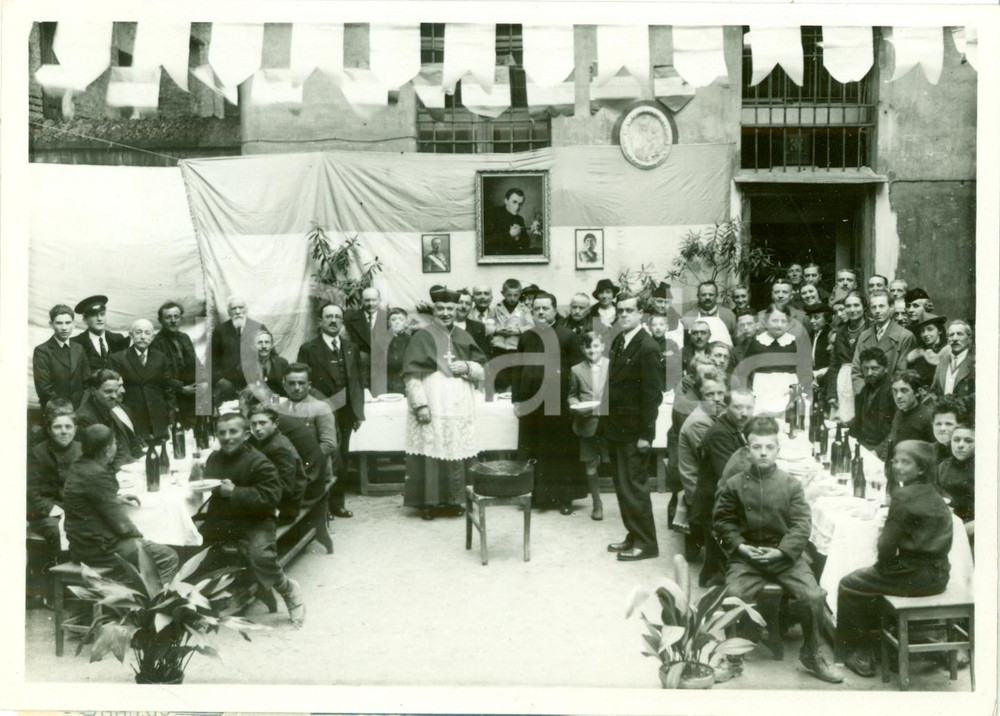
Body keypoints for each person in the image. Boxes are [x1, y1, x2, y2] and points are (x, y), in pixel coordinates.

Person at [714, 417, 843, 683]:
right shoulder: (734, 484)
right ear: (748, 451)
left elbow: (801, 524)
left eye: (769, 447)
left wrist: (783, 552)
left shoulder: (790, 484)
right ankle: (732, 658)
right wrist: (741, 547)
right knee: (733, 595)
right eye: (757, 447)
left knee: (813, 596)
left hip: (785, 556)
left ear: (777, 451)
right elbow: (723, 522)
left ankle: (812, 654)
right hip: (747, 557)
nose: (763, 452)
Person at [837, 440, 952, 678]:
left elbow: (886, 546)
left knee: (849, 584)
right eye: (895, 461)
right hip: (939, 575)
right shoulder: (935, 492)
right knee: (872, 579)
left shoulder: (903, 496)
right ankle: (902, 638)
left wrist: (882, 567)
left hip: (913, 577)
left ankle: (859, 651)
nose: (897, 466)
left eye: (905, 462)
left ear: (921, 469)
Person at [201, 412, 305, 625]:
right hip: (223, 518)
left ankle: (288, 589)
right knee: (194, 545)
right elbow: (208, 487)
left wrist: (235, 492)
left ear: (246, 435)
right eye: (222, 433)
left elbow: (272, 497)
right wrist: (197, 478)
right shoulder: (214, 458)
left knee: (260, 556)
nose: (227, 437)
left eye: (233, 431)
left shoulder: (259, 462)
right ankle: (207, 600)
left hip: (256, 520)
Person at [402, 287, 487, 520]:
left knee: (456, 451)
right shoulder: (422, 336)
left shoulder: (464, 336)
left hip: (460, 404)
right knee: (432, 452)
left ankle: (455, 500)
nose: (446, 313)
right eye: (441, 308)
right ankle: (429, 503)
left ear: (457, 309)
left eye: (451, 308)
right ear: (434, 310)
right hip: (433, 401)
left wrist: (467, 367)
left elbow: (482, 370)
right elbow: (411, 375)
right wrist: (420, 405)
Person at [62, 424, 179, 584]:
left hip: (79, 547)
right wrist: (142, 541)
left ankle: (132, 587)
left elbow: (86, 498)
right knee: (168, 556)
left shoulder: (78, 466)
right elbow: (122, 526)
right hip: (100, 551)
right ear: (107, 450)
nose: (116, 447)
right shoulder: (98, 473)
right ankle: (156, 598)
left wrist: (114, 499)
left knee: (145, 552)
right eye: (115, 443)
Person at [512, 292, 587, 514]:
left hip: (558, 405)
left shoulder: (568, 336)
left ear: (555, 310)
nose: (541, 312)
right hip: (531, 403)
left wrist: (576, 399)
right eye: (537, 309)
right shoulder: (526, 337)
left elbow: (579, 370)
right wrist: (517, 400)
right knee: (533, 449)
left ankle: (564, 498)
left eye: (545, 308)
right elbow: (517, 370)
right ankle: (536, 495)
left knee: (559, 451)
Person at [604, 293, 662, 562]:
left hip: (634, 431)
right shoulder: (620, 340)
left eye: (629, 310)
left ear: (641, 314)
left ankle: (647, 543)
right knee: (623, 487)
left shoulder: (648, 347)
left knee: (635, 488)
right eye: (620, 311)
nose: (624, 315)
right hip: (617, 428)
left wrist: (646, 435)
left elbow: (652, 396)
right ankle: (634, 534)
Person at [297, 302, 365, 519]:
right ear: (320, 321)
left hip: (346, 412)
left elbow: (357, 381)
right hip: (321, 412)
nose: (333, 320)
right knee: (322, 457)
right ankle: (321, 506)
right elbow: (304, 383)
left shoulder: (351, 347)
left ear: (342, 321)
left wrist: (358, 412)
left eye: (337, 317)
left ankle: (337, 504)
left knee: (341, 457)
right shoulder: (308, 349)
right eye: (329, 317)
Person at [698, 388, 755, 587]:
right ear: (726, 407)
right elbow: (732, 480)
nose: (744, 413)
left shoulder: (734, 427)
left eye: (749, 407)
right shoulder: (720, 434)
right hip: (713, 505)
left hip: (720, 497)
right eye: (738, 407)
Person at [677, 371, 727, 564]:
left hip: (703, 480)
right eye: (710, 394)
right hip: (698, 489)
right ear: (700, 396)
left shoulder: (711, 414)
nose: (717, 399)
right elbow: (718, 462)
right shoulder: (699, 423)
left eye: (720, 393)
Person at [27, 399, 82, 571]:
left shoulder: (82, 450)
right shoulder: (37, 453)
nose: (64, 431)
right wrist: (56, 510)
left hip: (75, 507)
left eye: (68, 427)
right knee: (56, 529)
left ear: (75, 429)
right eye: (58, 427)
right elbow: (32, 492)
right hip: (46, 511)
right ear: (49, 430)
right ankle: (60, 575)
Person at [108, 319, 177, 444]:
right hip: (134, 416)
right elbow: (115, 394)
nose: (143, 337)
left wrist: (171, 417)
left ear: (152, 336)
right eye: (138, 332)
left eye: (147, 333)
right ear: (131, 335)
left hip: (158, 418)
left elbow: (169, 389)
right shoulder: (118, 358)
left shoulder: (160, 357)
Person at [277, 363, 338, 504]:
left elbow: (329, 444)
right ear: (284, 385)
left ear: (309, 385)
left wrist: (302, 465)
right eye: (291, 383)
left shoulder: (321, 408)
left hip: (315, 471)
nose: (296, 388)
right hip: (288, 469)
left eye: (301, 383)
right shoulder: (279, 409)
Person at [567, 331, 610, 521]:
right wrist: (575, 404)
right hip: (587, 422)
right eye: (588, 347)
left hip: (610, 424)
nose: (592, 350)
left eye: (596, 346)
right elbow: (572, 394)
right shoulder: (576, 370)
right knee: (590, 464)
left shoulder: (612, 366)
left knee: (617, 463)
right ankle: (597, 503)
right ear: (582, 349)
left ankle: (626, 503)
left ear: (602, 347)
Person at [740, 305, 809, 416]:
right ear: (766, 321)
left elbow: (806, 372)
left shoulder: (795, 343)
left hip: (788, 392)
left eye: (783, 321)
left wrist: (798, 390)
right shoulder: (757, 343)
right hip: (762, 391)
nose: (779, 325)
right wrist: (749, 393)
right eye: (775, 321)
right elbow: (744, 372)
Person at [248, 404, 309, 523]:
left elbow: (285, 489)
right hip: (274, 498)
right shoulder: (267, 440)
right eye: (253, 424)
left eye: (262, 423)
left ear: (275, 424)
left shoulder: (280, 448)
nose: (257, 428)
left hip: (285, 508)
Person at [75, 369, 145, 470]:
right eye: (108, 391)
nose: (114, 396)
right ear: (93, 391)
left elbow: (118, 448)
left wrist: (135, 463)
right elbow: (96, 459)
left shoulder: (107, 408)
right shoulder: (84, 418)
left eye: (116, 391)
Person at [150, 300, 203, 429]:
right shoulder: (156, 344)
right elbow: (158, 376)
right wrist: (181, 389)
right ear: (160, 320)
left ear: (181, 319)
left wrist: (204, 380)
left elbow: (196, 363)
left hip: (193, 392)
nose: (173, 320)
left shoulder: (185, 337)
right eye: (168, 317)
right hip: (173, 397)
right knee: (183, 431)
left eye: (176, 316)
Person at [850, 289, 914, 396]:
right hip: (866, 396)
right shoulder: (863, 336)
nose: (877, 311)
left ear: (891, 308)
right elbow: (856, 371)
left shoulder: (905, 336)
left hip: (891, 396)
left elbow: (901, 372)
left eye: (881, 306)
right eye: (873, 307)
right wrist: (864, 395)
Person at [33, 304, 90, 410]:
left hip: (81, 409)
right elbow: (44, 389)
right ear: (51, 324)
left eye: (68, 323)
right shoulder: (42, 351)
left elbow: (87, 381)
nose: (64, 328)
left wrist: (83, 406)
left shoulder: (79, 348)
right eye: (59, 323)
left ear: (74, 324)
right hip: (56, 410)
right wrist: (65, 409)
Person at [211, 296, 269, 399]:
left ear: (246, 309)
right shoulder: (220, 331)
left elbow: (270, 356)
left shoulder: (259, 328)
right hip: (228, 384)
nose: (237, 311)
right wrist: (221, 380)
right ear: (229, 312)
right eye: (233, 308)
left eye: (240, 307)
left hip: (254, 382)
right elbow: (212, 360)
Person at [882, 370, 935, 478]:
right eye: (895, 391)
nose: (898, 396)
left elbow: (934, 454)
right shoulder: (898, 414)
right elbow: (891, 439)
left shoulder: (928, 416)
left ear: (917, 392)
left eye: (904, 390)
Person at [825, 291, 868, 422]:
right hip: (843, 382)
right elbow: (834, 364)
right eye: (848, 306)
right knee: (843, 422)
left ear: (864, 307)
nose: (852, 310)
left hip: (865, 378)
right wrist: (831, 393)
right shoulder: (841, 332)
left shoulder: (872, 329)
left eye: (856, 305)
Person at [490, 278, 534, 392]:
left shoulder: (524, 310)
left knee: (515, 379)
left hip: (516, 349)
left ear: (520, 294)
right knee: (500, 379)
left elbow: (531, 326)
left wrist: (518, 330)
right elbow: (487, 325)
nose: (512, 298)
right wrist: (497, 330)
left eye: (516, 295)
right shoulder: (496, 308)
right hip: (498, 349)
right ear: (503, 293)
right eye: (509, 295)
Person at [934, 423, 975, 545]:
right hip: (945, 525)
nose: (961, 445)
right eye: (956, 440)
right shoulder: (943, 467)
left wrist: (964, 529)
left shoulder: (984, 468)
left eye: (968, 441)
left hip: (972, 529)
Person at [849, 348, 896, 452]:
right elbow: (859, 420)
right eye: (866, 368)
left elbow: (895, 431)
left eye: (875, 368)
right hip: (863, 443)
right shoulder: (866, 389)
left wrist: (878, 452)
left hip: (881, 448)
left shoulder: (894, 392)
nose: (869, 373)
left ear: (886, 368)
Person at [344, 287, 390, 391]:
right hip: (360, 368)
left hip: (383, 369)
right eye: (367, 300)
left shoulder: (388, 317)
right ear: (361, 301)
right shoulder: (349, 319)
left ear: (379, 300)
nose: (370, 304)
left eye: (373, 300)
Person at [71, 295, 130, 373]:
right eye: (94, 315)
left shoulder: (118, 338)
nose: (99, 319)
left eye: (102, 314)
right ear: (85, 320)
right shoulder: (75, 342)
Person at [931, 320, 974, 412]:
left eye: (959, 334)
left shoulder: (976, 362)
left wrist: (956, 404)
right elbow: (933, 391)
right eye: (951, 335)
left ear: (969, 339)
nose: (955, 338)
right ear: (948, 340)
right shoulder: (942, 363)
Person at [240, 328, 289, 404]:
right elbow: (242, 391)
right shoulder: (245, 365)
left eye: (267, 342)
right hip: (253, 403)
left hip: (278, 402)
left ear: (271, 345)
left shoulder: (282, 363)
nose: (263, 346)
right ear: (253, 346)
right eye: (260, 342)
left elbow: (286, 387)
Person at [682, 281, 735, 346]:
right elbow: (685, 345)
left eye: (711, 294)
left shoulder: (729, 315)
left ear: (717, 296)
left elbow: (737, 343)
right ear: (698, 296)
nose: (707, 297)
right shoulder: (688, 317)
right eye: (703, 295)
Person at [906, 314, 948, 387]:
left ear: (940, 330)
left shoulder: (948, 349)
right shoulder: (918, 352)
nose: (925, 334)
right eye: (922, 331)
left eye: (930, 329)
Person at [487, 187, 529, 255]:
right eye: (514, 202)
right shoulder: (494, 212)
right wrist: (510, 234)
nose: (517, 207)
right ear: (506, 201)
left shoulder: (520, 219)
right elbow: (486, 239)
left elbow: (527, 243)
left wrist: (518, 238)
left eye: (520, 204)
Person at [649, 314, 682, 393]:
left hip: (668, 385)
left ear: (667, 327)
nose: (658, 327)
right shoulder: (646, 344)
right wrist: (664, 358)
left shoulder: (671, 344)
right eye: (654, 325)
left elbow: (673, 365)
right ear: (649, 328)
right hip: (650, 383)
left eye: (661, 324)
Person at [805, 304, 833, 393]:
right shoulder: (810, 336)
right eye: (811, 318)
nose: (811, 321)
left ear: (827, 319)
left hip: (827, 378)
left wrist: (820, 376)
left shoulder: (831, 336)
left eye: (816, 317)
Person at [930, 397, 965, 465]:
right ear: (932, 425)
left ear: (960, 425)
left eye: (948, 424)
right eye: (938, 424)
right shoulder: (926, 452)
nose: (942, 428)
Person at [455, 289, 490, 357]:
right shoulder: (443, 325)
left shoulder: (478, 328)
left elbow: (483, 355)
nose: (464, 306)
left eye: (468, 304)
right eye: (460, 302)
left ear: (471, 307)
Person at [385, 308, 413, 395]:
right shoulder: (382, 341)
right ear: (389, 323)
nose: (397, 322)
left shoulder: (411, 340)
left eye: (401, 319)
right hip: (387, 382)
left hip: (405, 381)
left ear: (406, 323)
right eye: (393, 320)